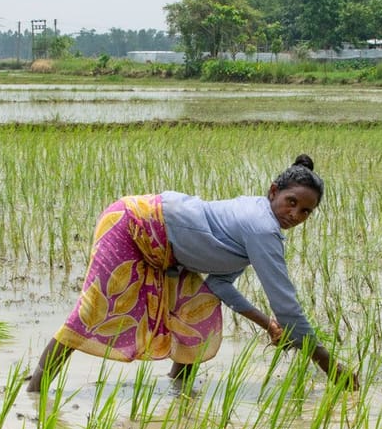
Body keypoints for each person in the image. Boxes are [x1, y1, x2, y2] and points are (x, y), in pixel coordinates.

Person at [26, 154, 358, 392]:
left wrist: (266, 324)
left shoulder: (257, 223)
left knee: (197, 310)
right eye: (291, 202)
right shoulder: (261, 227)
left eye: (306, 211)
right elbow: (287, 306)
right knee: (93, 310)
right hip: (132, 225)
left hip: (165, 248)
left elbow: (220, 285)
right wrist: (327, 363)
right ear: (273, 191)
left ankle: (179, 392)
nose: (296, 214)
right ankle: (36, 387)